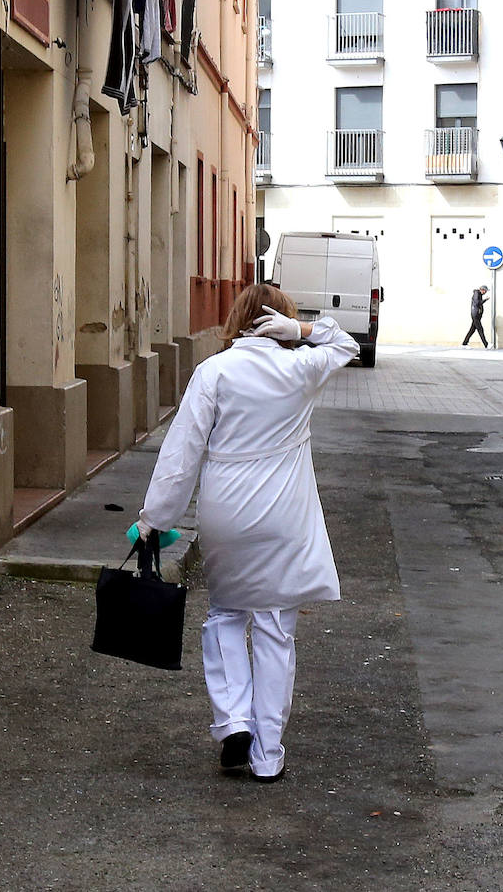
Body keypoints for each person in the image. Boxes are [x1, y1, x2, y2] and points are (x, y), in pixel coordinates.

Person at [134, 282, 359, 782]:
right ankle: (268, 754)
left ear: (236, 320)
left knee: (226, 615)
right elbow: (346, 344)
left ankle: (233, 721)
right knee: (277, 627)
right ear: (280, 321)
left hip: (227, 511)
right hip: (284, 513)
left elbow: (182, 453)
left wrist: (155, 519)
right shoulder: (300, 369)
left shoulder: (213, 371)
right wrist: (302, 331)